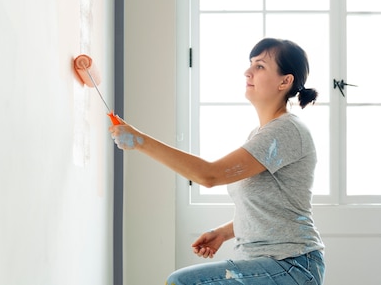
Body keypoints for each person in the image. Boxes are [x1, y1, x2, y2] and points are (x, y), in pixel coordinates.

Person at [110, 38, 325, 285]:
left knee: (182, 282)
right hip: (271, 262)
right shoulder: (261, 135)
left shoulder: (286, 130)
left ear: (285, 81)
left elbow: (209, 176)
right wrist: (223, 233)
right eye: (251, 64)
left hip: (292, 265)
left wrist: (139, 141)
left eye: (260, 66)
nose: (248, 71)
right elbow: (271, 209)